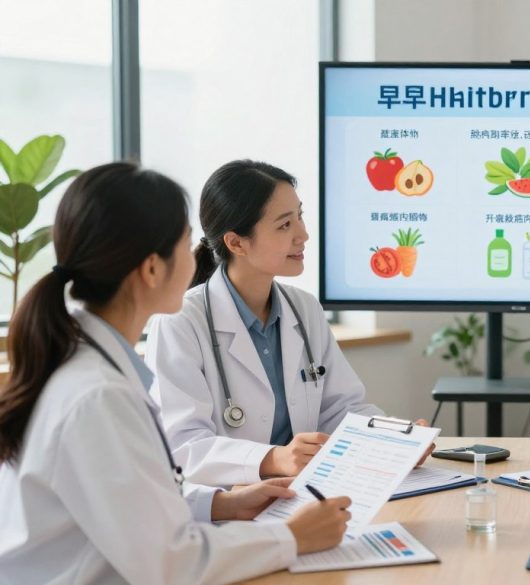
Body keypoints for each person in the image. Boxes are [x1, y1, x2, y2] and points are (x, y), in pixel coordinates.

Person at [0, 163, 352, 584]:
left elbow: (130, 504)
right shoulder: (97, 395)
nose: (196, 258)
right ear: (151, 270)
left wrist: (220, 504)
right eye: (186, 245)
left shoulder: (93, 371)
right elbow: (169, 563)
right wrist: (291, 537)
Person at [147, 160, 431, 488]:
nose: (303, 235)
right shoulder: (180, 323)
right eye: (284, 225)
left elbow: (342, 409)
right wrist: (273, 459)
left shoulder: (304, 308)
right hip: (226, 507)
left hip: (305, 493)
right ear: (236, 243)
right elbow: (183, 446)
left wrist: (397, 441)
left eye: (300, 216)